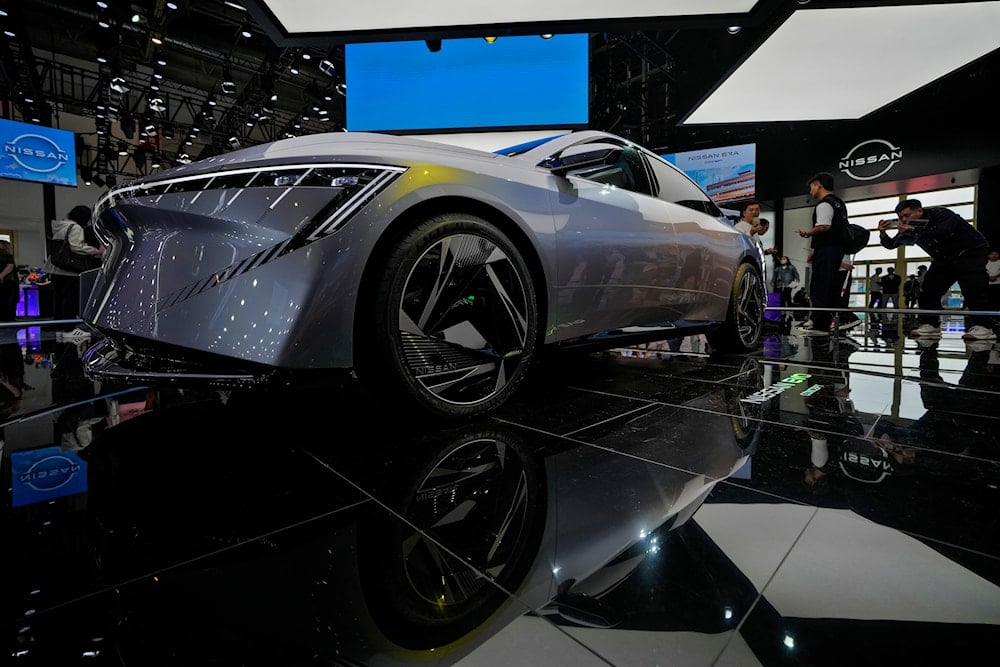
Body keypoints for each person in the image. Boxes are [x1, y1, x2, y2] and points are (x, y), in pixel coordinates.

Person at [877, 198, 996, 341]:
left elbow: (943, 232)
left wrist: (915, 229)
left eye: (907, 215)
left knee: (973, 289)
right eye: (900, 217)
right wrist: (883, 233)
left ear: (919, 210)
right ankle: (930, 324)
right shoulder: (908, 226)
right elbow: (891, 244)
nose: (903, 219)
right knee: (928, 291)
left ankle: (984, 327)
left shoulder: (941, 214)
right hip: (943, 258)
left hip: (970, 252)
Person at [796, 172, 850, 336]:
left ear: (818, 184)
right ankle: (827, 322)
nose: (810, 190)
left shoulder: (824, 204)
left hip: (827, 251)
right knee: (829, 286)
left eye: (811, 186)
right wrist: (814, 250)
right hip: (835, 250)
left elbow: (823, 226)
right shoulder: (839, 203)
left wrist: (807, 233)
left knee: (819, 286)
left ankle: (820, 324)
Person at [47, 205, 103, 339]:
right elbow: (76, 246)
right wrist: (95, 251)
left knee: (58, 299)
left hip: (55, 269)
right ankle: (68, 326)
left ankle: (57, 323)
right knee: (69, 299)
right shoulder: (76, 228)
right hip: (69, 270)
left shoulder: (61, 225)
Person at [0, 240, 19, 322]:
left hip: (5, 281)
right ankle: (9, 319)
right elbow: (10, 266)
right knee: (8, 301)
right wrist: (1, 275)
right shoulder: (8, 255)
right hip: (8, 281)